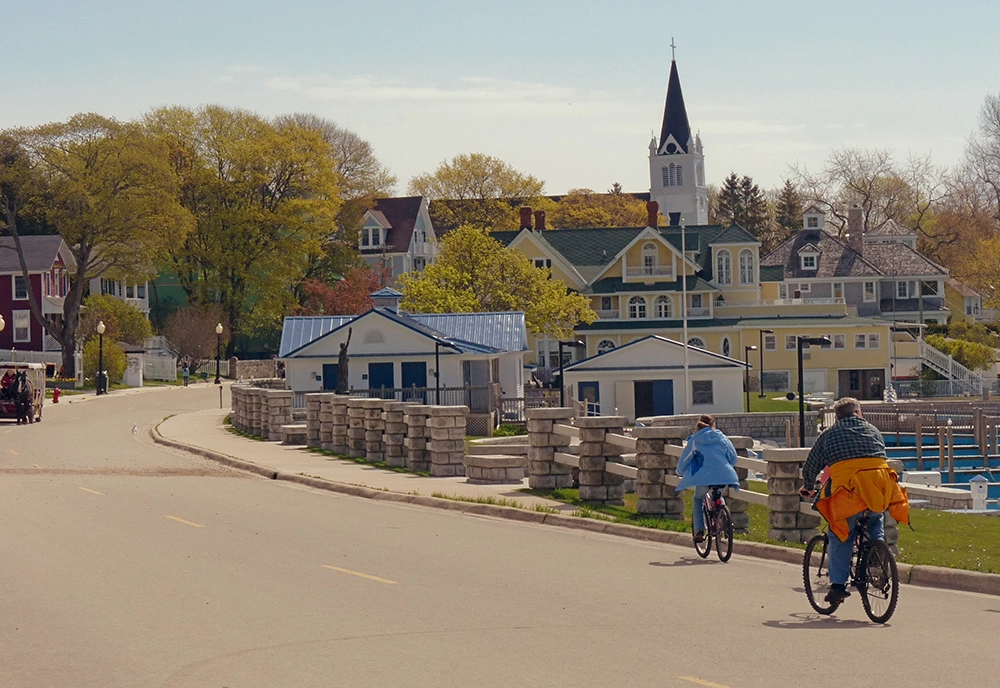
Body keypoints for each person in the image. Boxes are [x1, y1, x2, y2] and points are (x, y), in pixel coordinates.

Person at [799, 397, 909, 604]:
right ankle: (876, 550)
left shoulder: (829, 435)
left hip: (848, 491)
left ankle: (838, 586)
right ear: (858, 413)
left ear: (837, 417)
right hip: (878, 488)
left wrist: (808, 486)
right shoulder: (873, 430)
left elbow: (812, 465)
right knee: (875, 521)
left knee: (841, 534)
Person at [676, 414, 740, 543]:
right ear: (713, 425)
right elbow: (733, 457)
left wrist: (679, 471)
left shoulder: (695, 440)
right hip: (724, 475)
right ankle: (725, 521)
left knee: (698, 499)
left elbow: (685, 459)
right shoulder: (723, 438)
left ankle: (699, 530)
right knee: (718, 495)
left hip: (704, 477)